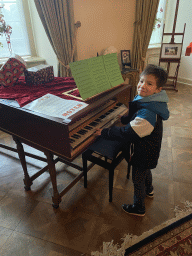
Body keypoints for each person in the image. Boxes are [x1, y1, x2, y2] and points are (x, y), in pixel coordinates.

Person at [95, 64, 169, 216]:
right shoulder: (146, 98)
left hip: (143, 151)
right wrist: (125, 118)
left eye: (149, 84)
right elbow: (135, 111)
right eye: (141, 81)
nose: (142, 86)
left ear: (158, 89)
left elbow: (128, 133)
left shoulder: (148, 113)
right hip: (147, 149)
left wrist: (106, 132)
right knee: (146, 170)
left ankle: (139, 207)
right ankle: (149, 190)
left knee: (138, 178)